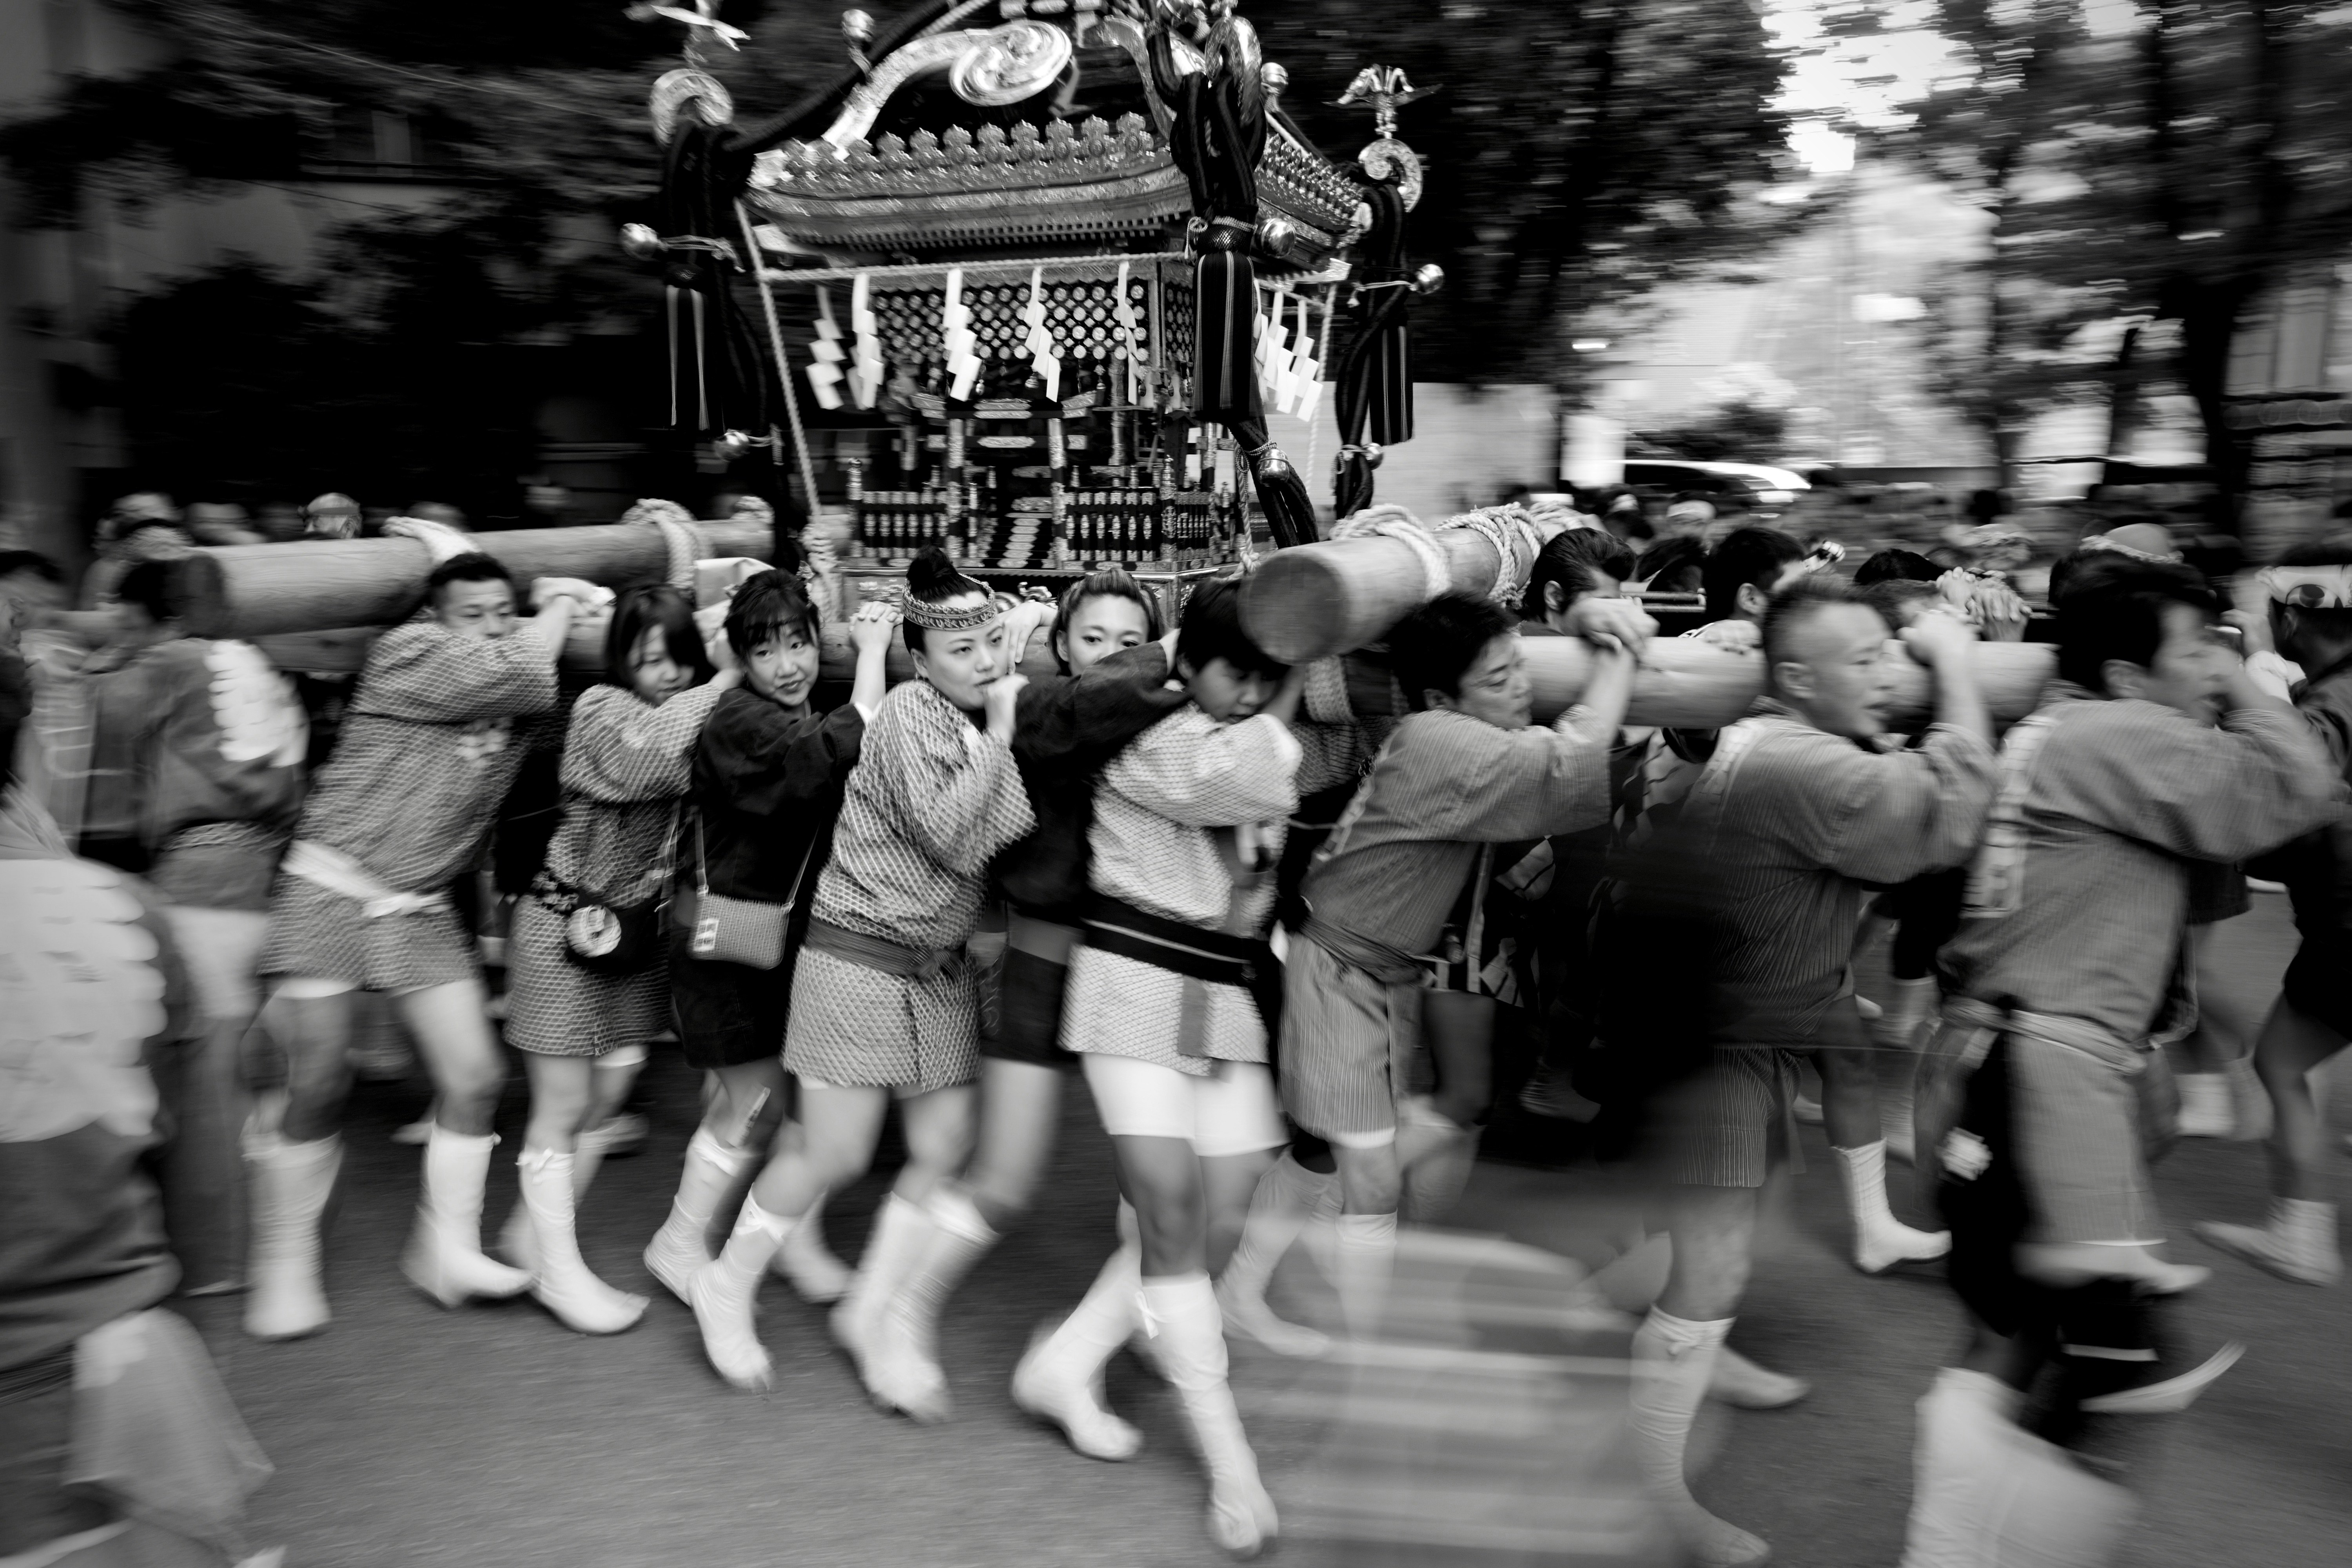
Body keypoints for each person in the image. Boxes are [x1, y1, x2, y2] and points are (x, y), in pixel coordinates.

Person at [1902, 559, 2343, 1565]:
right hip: (2036, 1072)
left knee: (2014, 1338)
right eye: (2196, 650)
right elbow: (2301, 790)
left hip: (2010, 1061)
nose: (2216, 666)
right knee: (2123, 1371)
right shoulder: (2120, 730)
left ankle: (1949, 1547)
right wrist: (2250, 691)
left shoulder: (2068, 730)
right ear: (2125, 673)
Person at [1630, 578, 1996, 1568]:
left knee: (1730, 1232)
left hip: (1729, 1022)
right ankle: (1649, 1486)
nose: (1889, 673)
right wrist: (1957, 665)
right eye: (1865, 659)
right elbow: (1950, 809)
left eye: (1894, 653)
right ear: (1794, 677)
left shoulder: (1774, 732)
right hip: (1718, 1040)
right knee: (1713, 1265)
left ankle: (1685, 1339)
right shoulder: (1809, 764)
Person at [1013, 577, 1362, 1560]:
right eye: (1233, 672)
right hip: (1127, 982)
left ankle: (1069, 1360)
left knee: (1210, 1221)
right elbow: (1269, 765)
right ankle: (1230, 1464)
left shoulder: (1222, 737)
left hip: (1219, 994)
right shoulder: (1151, 733)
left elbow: (1255, 862)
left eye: (1266, 675)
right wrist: (1287, 689)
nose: (1251, 691)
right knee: (1169, 1216)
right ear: (1186, 663)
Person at [686, 548, 1037, 1412]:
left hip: (936, 970)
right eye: (966, 650)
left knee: (943, 1146)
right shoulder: (914, 712)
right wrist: (1000, 731)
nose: (988, 662)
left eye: (998, 642)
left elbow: (1013, 819)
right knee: (832, 1152)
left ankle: (877, 1314)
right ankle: (725, 1282)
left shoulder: (960, 714)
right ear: (921, 658)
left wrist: (993, 739)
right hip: (859, 959)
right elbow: (961, 832)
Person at [1257, 591, 1649, 1350]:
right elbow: (1571, 765)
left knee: (1321, 1153)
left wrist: (1581, 624)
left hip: (1372, 968)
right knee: (1369, 1174)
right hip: (1336, 963)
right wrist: (1620, 660)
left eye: (1517, 667)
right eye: (1500, 677)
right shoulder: (1441, 737)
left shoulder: (1452, 726)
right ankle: (1366, 1347)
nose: (1521, 686)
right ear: (1441, 696)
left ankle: (1244, 1290)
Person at [243, 552, 596, 1339]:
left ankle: (447, 1245)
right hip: (331, 881)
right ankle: (286, 1253)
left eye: (506, 609)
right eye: (474, 613)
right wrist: (561, 610)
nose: (495, 625)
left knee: (475, 1075)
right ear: (436, 619)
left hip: (420, 902)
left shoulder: (519, 672)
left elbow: (562, 687)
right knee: (321, 1078)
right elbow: (530, 669)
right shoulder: (408, 653)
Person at [869, 568, 1187, 1394]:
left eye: (1131, 641)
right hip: (1047, 954)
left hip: (1141, 964)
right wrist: (1162, 655)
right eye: (1094, 639)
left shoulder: (1166, 712)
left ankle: (1130, 1327)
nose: (1114, 657)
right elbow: (1082, 711)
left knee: (1159, 1186)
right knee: (1003, 1177)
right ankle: (900, 1314)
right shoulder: (1038, 706)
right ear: (1058, 646)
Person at [0, 658, 279, 1568]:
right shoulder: (124, 912)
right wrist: (205, 1351)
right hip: (104, 1373)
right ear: (29, 751)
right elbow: (204, 1180)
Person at [641, 569, 893, 1310]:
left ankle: (792, 1243)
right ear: (741, 661)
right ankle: (678, 1243)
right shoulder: (737, 718)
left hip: (775, 943)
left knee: (781, 1102)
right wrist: (874, 651)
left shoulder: (779, 706)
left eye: (800, 643)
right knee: (752, 1104)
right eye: (767, 651)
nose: (789, 665)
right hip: (730, 945)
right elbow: (840, 750)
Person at [493, 586, 737, 1334]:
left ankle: (527, 1236)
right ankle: (558, 1276)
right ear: (620, 660)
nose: (663, 673)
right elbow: (652, 759)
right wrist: (722, 679)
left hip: (633, 936)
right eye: (646, 658)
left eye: (676, 660)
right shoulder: (601, 708)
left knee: (615, 1085)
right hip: (564, 927)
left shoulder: (695, 711)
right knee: (564, 1104)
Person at [78, 560, 307, 1296]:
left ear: (148, 612)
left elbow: (92, 716)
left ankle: (220, 1256)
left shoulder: (170, 661)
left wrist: (82, 646)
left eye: (118, 605)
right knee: (252, 1062)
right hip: (267, 868)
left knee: (204, 1070)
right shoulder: (251, 662)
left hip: (204, 873)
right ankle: (272, 1236)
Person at [2194, 541, 2352, 1284]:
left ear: (2294, 616)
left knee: (2282, 1064)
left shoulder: (2336, 698)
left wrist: (2238, 678)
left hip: (2348, 933)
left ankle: (2302, 1235)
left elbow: (2300, 765)